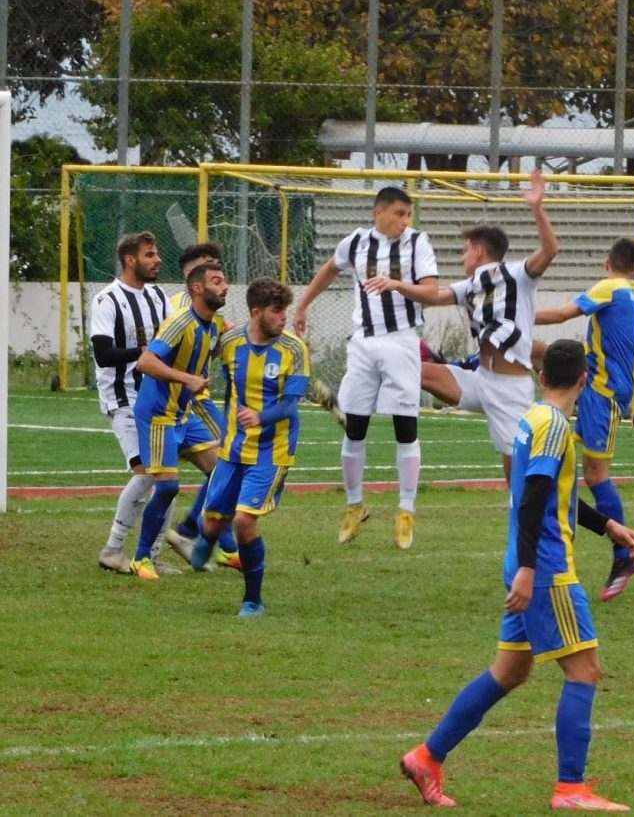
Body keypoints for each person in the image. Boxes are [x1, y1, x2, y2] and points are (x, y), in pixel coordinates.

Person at [400, 339, 634, 811]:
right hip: (545, 568)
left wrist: (607, 526)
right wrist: (531, 570)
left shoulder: (533, 418)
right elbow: (532, 500)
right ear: (584, 379)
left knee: (509, 671)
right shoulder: (553, 426)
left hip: (524, 561)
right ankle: (570, 789)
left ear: (542, 375)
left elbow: (550, 494)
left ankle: (427, 757)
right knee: (585, 669)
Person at [366, 170, 558, 486]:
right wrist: (396, 285)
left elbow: (550, 250)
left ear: (478, 250)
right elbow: (432, 296)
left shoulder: (517, 275)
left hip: (510, 389)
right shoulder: (469, 285)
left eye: (465, 250)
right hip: (480, 380)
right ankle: (368, 399)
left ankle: (532, 515)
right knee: (413, 368)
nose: (462, 256)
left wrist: (537, 208)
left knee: (518, 478)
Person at [293, 186, 439, 550]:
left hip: (401, 341)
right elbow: (330, 268)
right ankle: (355, 506)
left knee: (405, 428)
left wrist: (396, 284)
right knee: (354, 428)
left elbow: (432, 292)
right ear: (380, 212)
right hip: (362, 343)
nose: (406, 221)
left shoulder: (417, 243)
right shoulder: (356, 241)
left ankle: (406, 511)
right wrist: (303, 304)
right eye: (400, 213)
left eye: (409, 214)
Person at [190, 277, 311, 617]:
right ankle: (206, 538)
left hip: (273, 451)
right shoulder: (230, 342)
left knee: (244, 522)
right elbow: (217, 375)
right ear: (256, 312)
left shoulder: (294, 349)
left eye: (285, 310)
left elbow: (289, 405)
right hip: (233, 448)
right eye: (276, 311)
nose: (284, 317)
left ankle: (253, 600)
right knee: (212, 524)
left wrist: (260, 416)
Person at [534, 236, 634, 601]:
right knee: (567, 463)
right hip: (598, 387)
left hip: (603, 390)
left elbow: (564, 314)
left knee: (596, 476)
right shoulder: (632, 293)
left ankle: (624, 554)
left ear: (607, 262)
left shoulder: (610, 287)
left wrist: (518, 315)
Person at [128, 260, 230, 580]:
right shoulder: (180, 322)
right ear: (198, 288)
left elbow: (209, 350)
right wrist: (187, 378)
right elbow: (145, 362)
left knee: (223, 471)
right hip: (158, 414)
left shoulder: (214, 324)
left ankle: (197, 535)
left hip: (184, 414)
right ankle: (141, 558)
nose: (225, 286)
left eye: (224, 281)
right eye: (217, 281)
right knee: (168, 487)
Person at [93, 231, 174, 574]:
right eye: (149, 254)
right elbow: (103, 354)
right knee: (146, 474)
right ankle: (113, 550)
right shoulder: (107, 300)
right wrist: (143, 353)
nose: (157, 260)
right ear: (130, 260)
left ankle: (151, 555)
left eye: (156, 254)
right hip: (123, 398)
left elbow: (175, 337)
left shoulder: (159, 296)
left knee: (166, 476)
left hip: (158, 399)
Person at [162, 241, 241, 571]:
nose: (217, 272)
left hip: (184, 400)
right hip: (188, 400)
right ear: (191, 275)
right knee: (230, 462)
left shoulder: (207, 312)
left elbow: (214, 345)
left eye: (218, 266)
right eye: (209, 265)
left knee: (223, 468)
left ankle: (206, 537)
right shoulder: (180, 306)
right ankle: (199, 534)